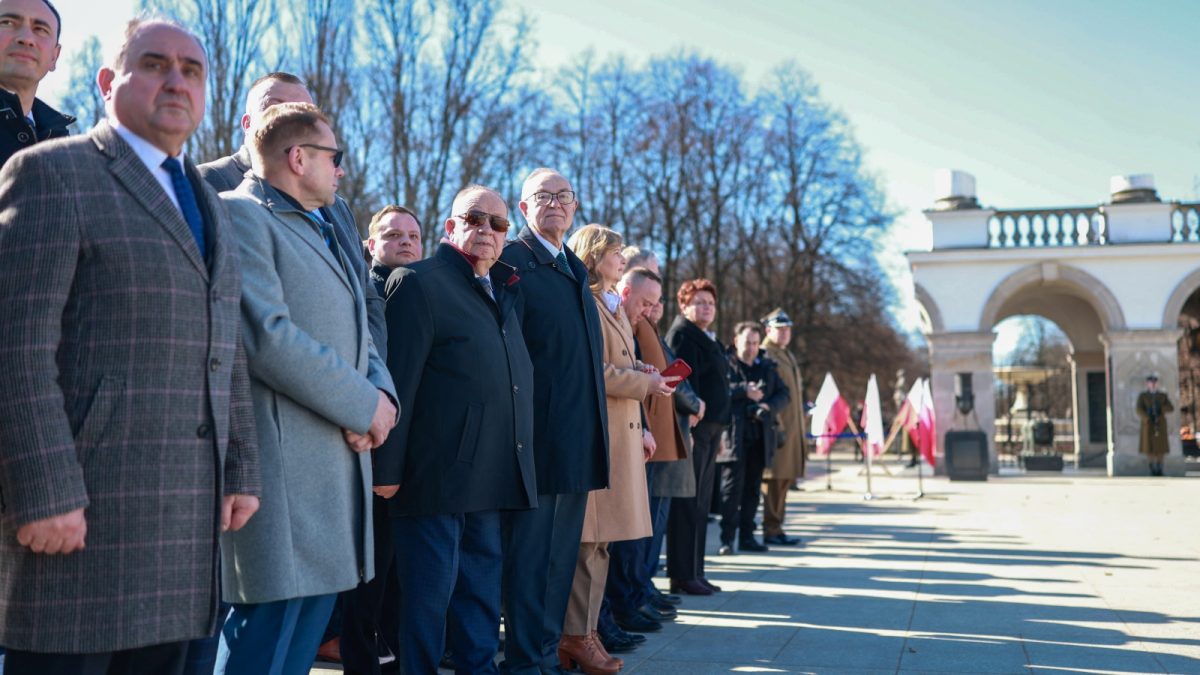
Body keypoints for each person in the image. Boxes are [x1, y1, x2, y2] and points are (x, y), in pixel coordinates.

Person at [0, 18, 261, 674]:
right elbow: (15, 345)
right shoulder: (50, 174)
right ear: (108, 82)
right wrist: (44, 489)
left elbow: (224, 342)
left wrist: (242, 470)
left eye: (192, 70)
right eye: (155, 64)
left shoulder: (206, 199)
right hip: (80, 523)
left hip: (183, 529)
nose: (176, 80)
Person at [217, 102, 397, 675]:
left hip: (334, 466)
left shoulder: (321, 222)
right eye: (333, 157)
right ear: (299, 158)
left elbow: (360, 327)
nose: (340, 170)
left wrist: (383, 398)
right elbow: (267, 335)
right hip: (284, 468)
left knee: (299, 640)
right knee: (264, 640)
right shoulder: (241, 214)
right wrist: (362, 403)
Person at [374, 185, 536, 674]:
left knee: (482, 599)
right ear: (450, 226)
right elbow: (398, 381)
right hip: (433, 478)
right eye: (475, 218)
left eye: (499, 224)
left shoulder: (504, 290)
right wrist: (386, 469)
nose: (487, 230)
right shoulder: (418, 282)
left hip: (489, 480)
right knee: (428, 602)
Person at [497, 168, 609, 675]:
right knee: (531, 562)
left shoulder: (571, 266)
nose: (556, 204)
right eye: (544, 196)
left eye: (565, 196)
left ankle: (543, 654)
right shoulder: (513, 261)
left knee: (558, 564)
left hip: (574, 441)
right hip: (536, 442)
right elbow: (509, 355)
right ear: (523, 208)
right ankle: (526, 661)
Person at [198, 71, 388, 362]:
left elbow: (366, 298)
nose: (290, 116)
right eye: (275, 106)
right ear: (247, 123)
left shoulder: (336, 206)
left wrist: (374, 380)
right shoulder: (211, 182)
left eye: (303, 111)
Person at [560, 225, 675, 675]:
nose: (622, 258)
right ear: (594, 255)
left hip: (620, 433)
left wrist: (640, 369)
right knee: (590, 543)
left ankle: (586, 632)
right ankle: (579, 635)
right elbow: (593, 370)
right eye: (614, 252)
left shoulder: (608, 303)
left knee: (602, 543)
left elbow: (615, 365)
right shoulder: (587, 300)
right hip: (601, 433)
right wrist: (642, 380)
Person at [603, 267, 685, 641]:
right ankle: (621, 604)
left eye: (655, 303)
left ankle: (633, 596)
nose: (651, 310)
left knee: (639, 527)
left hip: (641, 433)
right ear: (624, 291)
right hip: (621, 436)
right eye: (645, 302)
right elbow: (605, 373)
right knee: (618, 533)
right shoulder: (612, 315)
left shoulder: (633, 320)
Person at [665, 278, 731, 596]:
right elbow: (679, 381)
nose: (706, 307)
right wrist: (687, 421)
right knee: (687, 503)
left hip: (712, 429)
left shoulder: (709, 338)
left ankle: (696, 569)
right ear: (684, 305)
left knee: (702, 503)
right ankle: (681, 573)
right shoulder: (682, 334)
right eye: (699, 302)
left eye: (710, 303)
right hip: (693, 427)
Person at [718, 322, 789, 555]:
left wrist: (768, 405)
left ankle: (747, 537)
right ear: (736, 341)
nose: (751, 348)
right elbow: (716, 392)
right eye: (747, 343)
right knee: (731, 492)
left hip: (760, 437)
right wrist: (743, 391)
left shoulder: (767, 366)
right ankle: (727, 539)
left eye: (755, 343)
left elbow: (784, 394)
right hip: (733, 437)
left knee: (752, 491)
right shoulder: (725, 363)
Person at [0, 0, 72, 168]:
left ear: (55, 56)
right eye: (7, 23)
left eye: (40, 29)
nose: (26, 39)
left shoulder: (64, 148)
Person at [759, 308, 805, 546]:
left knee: (784, 480)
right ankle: (771, 528)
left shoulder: (784, 354)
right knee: (774, 481)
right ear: (769, 330)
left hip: (791, 429)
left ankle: (777, 527)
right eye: (780, 329)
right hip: (778, 430)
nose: (785, 333)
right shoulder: (767, 354)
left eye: (787, 329)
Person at [365, 204, 422, 295]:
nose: (407, 242)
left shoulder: (435, 293)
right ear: (372, 246)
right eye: (394, 234)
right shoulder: (359, 292)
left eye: (413, 236)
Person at [1136, 374, 1174, 476]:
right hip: (1148, 425)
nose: (1152, 385)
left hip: (1160, 424)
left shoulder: (1162, 396)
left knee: (1160, 447)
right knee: (1149, 447)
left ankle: (1160, 467)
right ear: (1147, 384)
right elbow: (1138, 409)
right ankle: (1152, 467)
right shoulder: (1143, 396)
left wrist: (1161, 409)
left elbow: (1170, 407)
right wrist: (1146, 417)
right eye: (1150, 383)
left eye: (1154, 383)